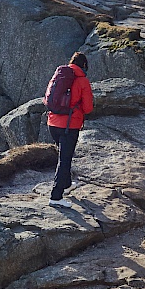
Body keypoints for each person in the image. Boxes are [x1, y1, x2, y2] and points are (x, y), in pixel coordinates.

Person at [47, 52, 94, 205]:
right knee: (64, 160)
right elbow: (88, 108)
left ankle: (66, 184)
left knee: (63, 155)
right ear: (84, 66)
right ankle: (56, 197)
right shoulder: (82, 81)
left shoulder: (60, 75)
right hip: (69, 126)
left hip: (52, 123)